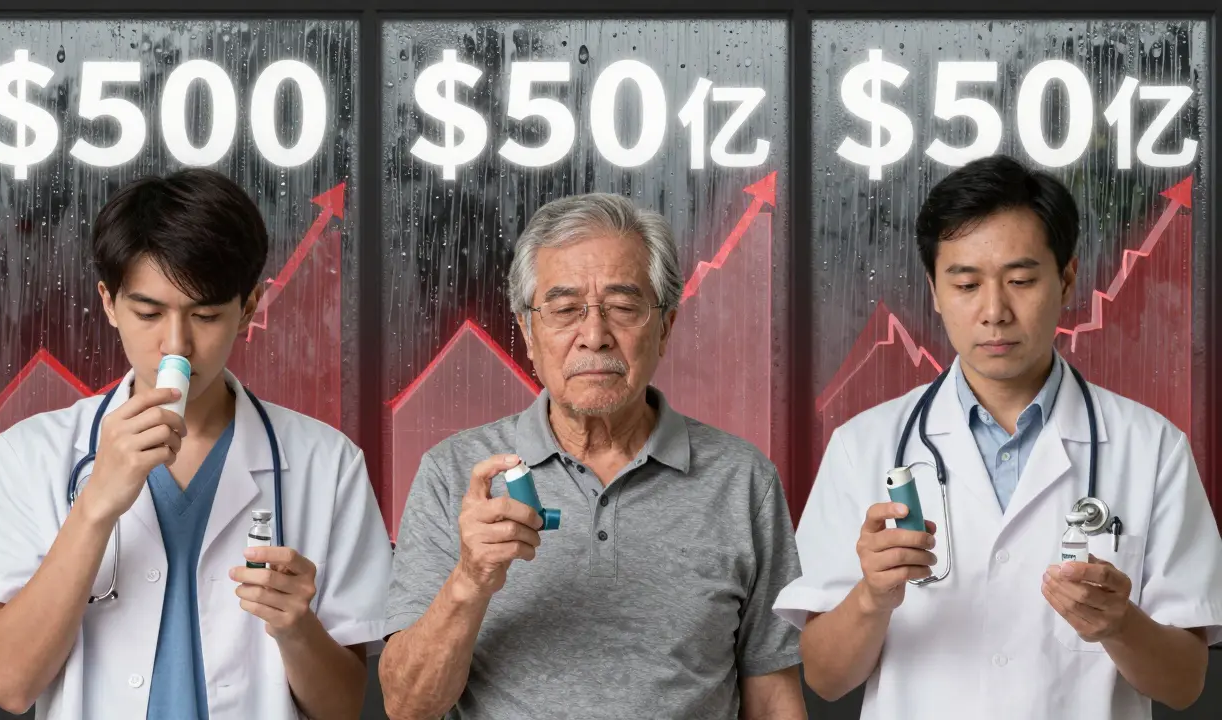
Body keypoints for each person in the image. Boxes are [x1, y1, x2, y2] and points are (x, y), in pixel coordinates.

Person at [775, 154, 1222, 719]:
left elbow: (1184, 684)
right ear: (935, 291)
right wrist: (872, 598)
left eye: (1021, 280)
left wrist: (1120, 624)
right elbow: (825, 677)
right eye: (965, 283)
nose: (994, 312)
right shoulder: (862, 447)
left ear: (1066, 279)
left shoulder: (1152, 449)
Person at [0, 169, 394, 719]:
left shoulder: (328, 464)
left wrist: (294, 627)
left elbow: (343, 707)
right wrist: (95, 508)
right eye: (149, 313)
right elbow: (9, 686)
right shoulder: (31, 454)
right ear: (108, 303)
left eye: (205, 315)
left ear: (248, 307)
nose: (176, 345)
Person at [378, 193, 806, 719]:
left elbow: (773, 695)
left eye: (624, 308)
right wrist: (470, 580)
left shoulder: (742, 481)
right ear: (528, 332)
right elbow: (405, 706)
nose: (595, 336)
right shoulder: (453, 473)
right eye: (563, 310)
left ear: (666, 327)